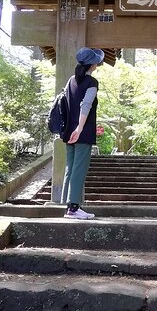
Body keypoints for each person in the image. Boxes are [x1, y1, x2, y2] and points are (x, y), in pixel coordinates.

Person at [61, 46, 104, 219]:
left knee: (70, 168)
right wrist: (79, 129)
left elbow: (64, 103)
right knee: (79, 169)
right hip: (82, 132)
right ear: (92, 65)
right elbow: (85, 105)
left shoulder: (71, 80)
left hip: (68, 132)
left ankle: (69, 206)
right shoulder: (92, 83)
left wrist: (70, 129)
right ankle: (73, 208)